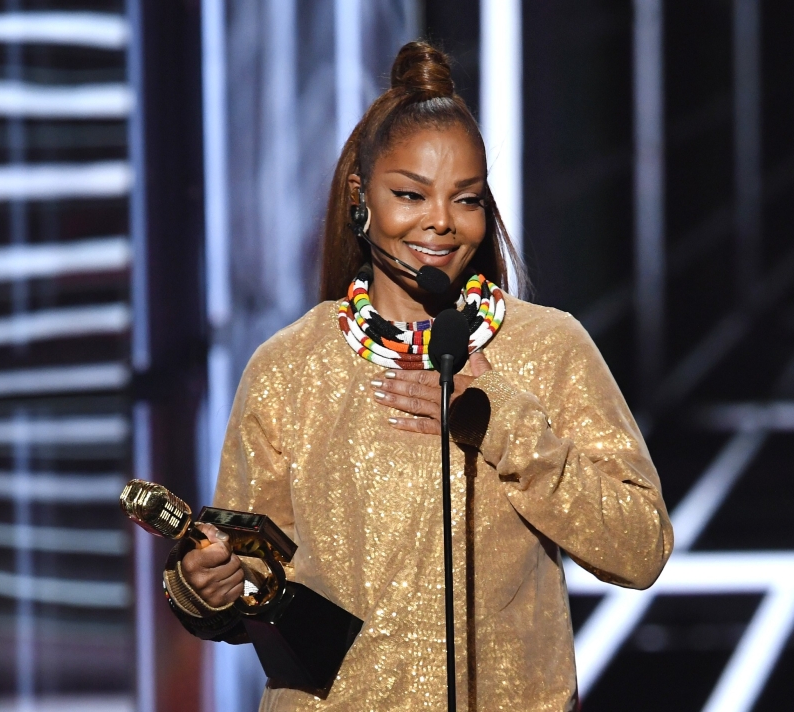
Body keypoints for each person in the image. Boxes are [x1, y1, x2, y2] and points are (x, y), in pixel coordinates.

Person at [164, 41, 673, 711]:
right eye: (410, 194)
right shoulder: (290, 366)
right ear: (361, 195)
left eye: (465, 199)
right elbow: (255, 565)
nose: (439, 220)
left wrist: (501, 421)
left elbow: (640, 546)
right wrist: (207, 583)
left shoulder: (549, 347)